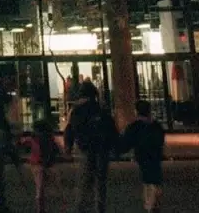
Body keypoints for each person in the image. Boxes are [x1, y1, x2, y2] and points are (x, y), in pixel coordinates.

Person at [65, 80, 119, 213]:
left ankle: (83, 208)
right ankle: (99, 208)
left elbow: (70, 129)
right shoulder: (101, 110)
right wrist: (115, 147)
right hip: (102, 149)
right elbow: (111, 130)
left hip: (86, 149)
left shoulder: (77, 111)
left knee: (84, 183)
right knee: (100, 183)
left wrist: (68, 147)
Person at [118, 100, 165, 213]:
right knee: (155, 177)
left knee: (147, 179)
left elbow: (126, 143)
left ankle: (150, 204)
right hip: (155, 155)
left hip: (143, 155)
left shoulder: (135, 126)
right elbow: (161, 140)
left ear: (137, 111)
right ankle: (154, 201)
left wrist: (117, 149)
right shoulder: (156, 125)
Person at [0, 74, 22, 213]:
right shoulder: (5, 97)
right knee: (2, 167)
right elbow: (11, 117)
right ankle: (1, 202)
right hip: (3, 132)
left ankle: (0, 202)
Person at [28, 119, 59, 213]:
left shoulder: (35, 139)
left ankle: (41, 209)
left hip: (37, 164)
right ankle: (42, 208)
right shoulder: (48, 139)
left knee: (40, 188)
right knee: (44, 187)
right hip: (43, 164)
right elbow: (54, 150)